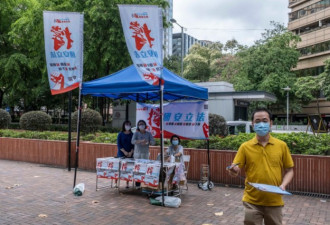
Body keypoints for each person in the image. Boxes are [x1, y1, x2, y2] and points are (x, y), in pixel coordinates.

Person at [227, 108, 294, 225]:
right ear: (253, 124)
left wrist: (283, 185)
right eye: (257, 121)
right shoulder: (245, 147)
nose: (261, 124)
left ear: (271, 123)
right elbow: (234, 171)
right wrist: (233, 170)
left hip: (274, 200)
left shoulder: (281, 146)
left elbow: (290, 170)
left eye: (264, 120)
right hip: (251, 200)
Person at [131, 120, 155, 188]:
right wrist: (140, 141)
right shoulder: (136, 133)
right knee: (137, 169)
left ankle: (144, 184)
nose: (141, 125)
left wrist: (148, 142)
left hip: (145, 154)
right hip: (137, 154)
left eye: (142, 124)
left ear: (145, 125)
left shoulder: (148, 133)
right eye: (140, 124)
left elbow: (153, 142)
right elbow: (132, 141)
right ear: (138, 126)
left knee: (144, 169)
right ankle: (137, 185)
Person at [116, 121, 134, 188]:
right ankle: (116, 183)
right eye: (126, 124)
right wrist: (124, 152)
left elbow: (133, 145)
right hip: (121, 154)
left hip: (130, 154)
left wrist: (131, 152)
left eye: (129, 124)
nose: (128, 126)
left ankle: (127, 183)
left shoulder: (132, 134)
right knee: (119, 168)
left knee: (128, 169)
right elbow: (119, 144)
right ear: (124, 125)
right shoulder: (120, 134)